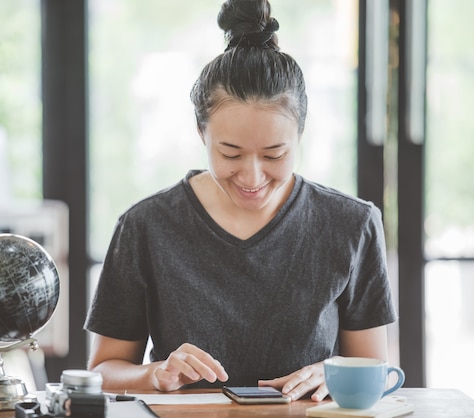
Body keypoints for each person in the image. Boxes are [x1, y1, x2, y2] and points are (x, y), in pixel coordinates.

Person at [84, 0, 397, 402]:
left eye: (274, 155)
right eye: (230, 154)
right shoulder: (146, 225)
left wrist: (330, 374)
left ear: (300, 133)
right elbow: (102, 371)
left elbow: (376, 368)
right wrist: (155, 374)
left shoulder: (352, 224)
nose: (252, 177)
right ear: (202, 133)